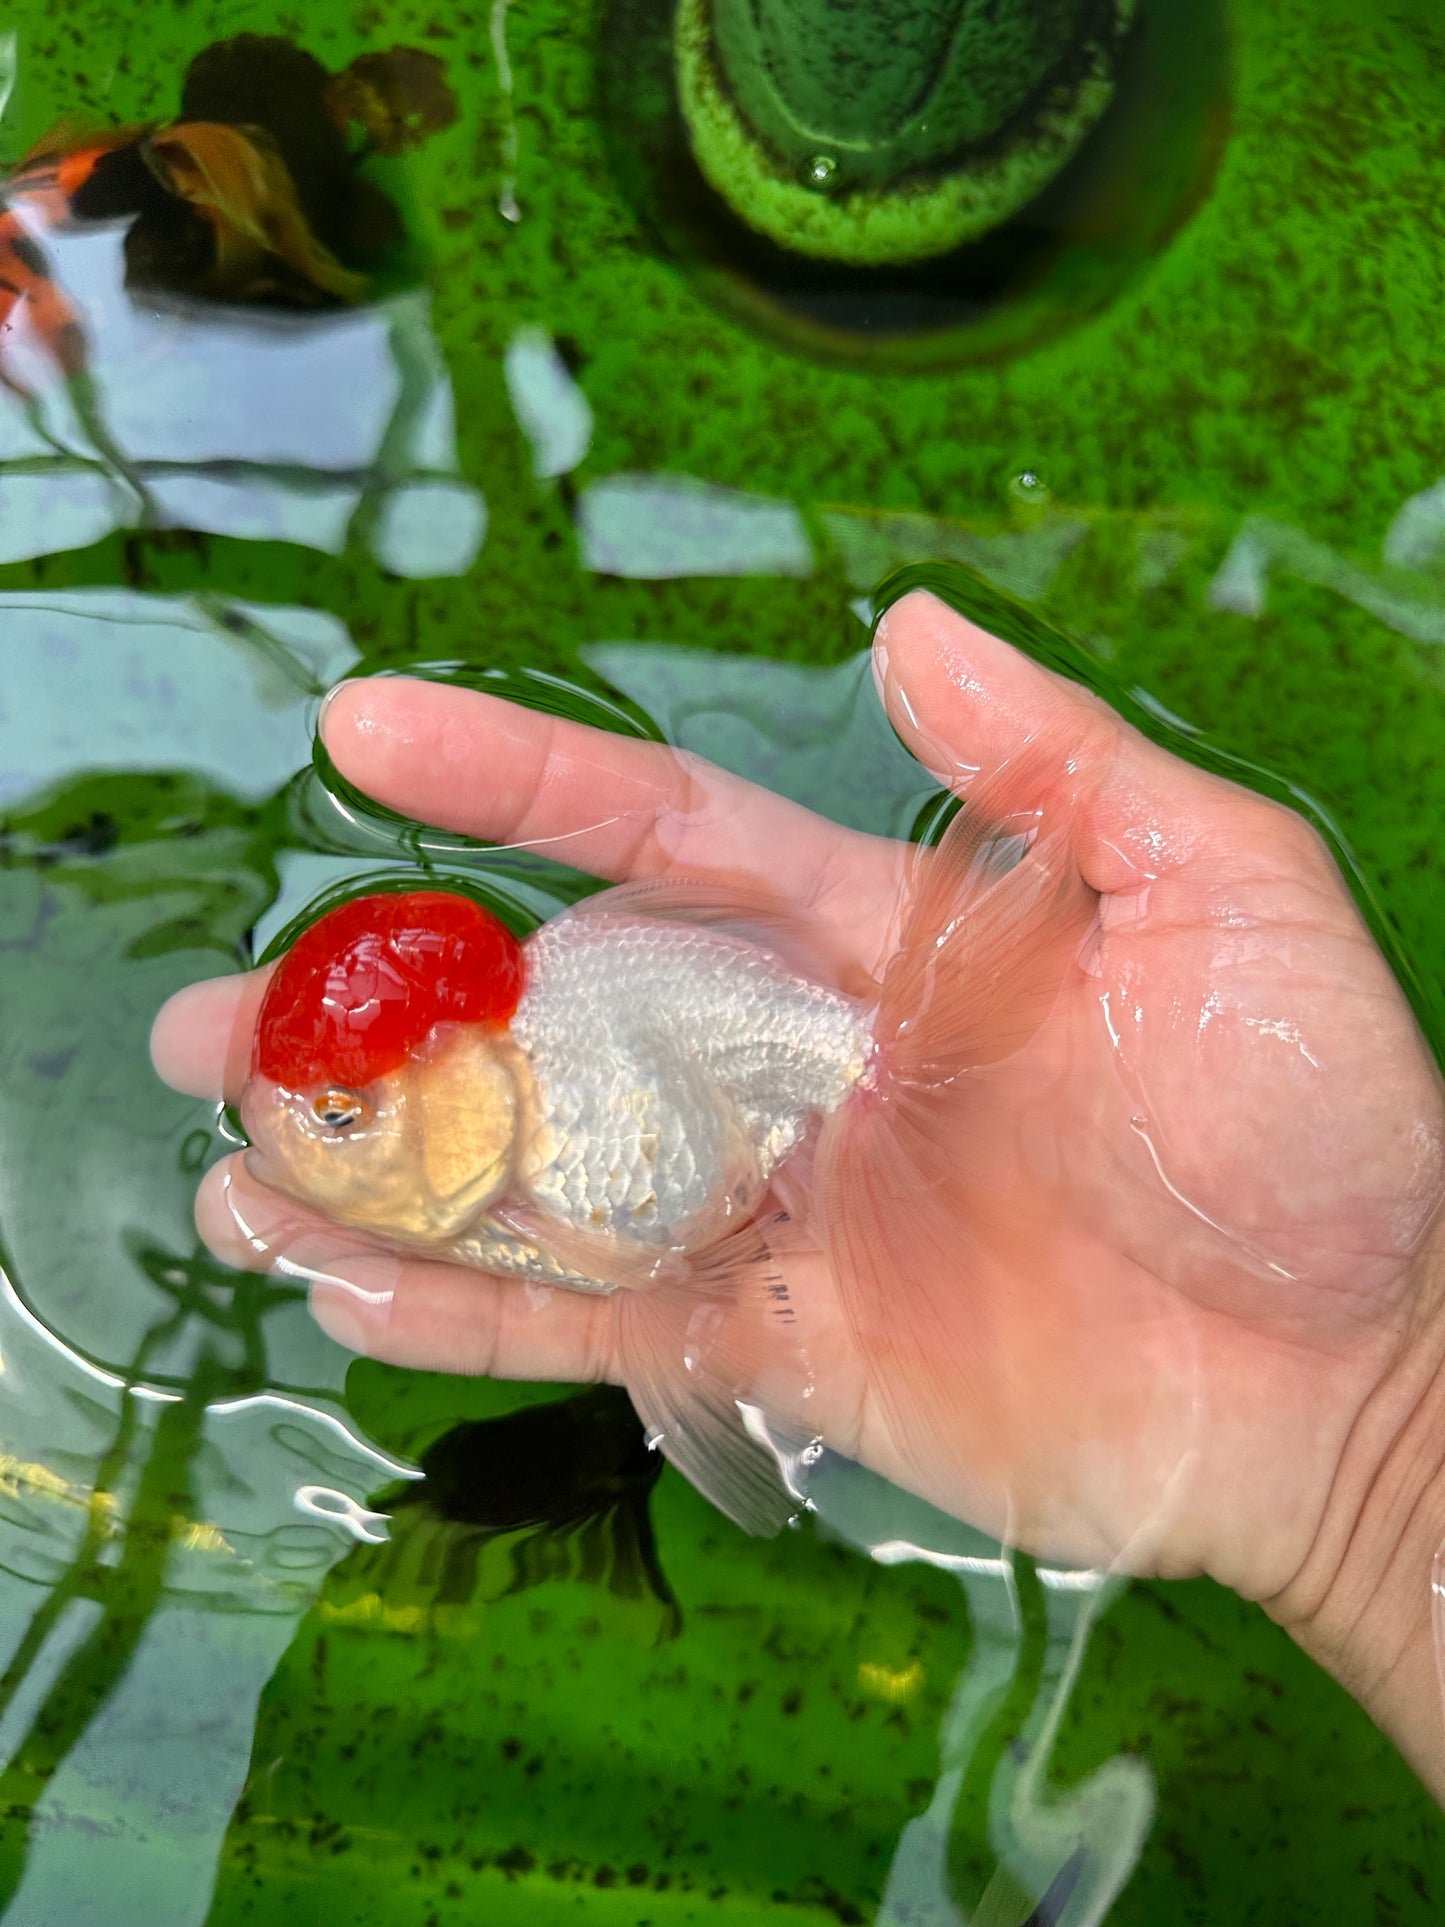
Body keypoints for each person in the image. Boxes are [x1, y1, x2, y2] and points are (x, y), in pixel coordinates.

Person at [151, 588, 1445, 1799]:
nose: (312, 1147)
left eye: (340, 1119)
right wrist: (1382, 1464)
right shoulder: (513, 1155)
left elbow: (641, 1271)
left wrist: (1395, 1424)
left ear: (458, 1089)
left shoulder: (568, 1089)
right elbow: (645, 1282)